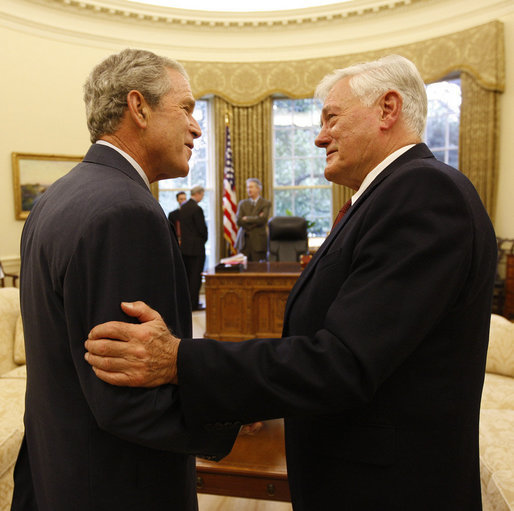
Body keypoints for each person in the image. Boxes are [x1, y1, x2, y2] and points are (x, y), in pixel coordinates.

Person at [85, 55, 497, 510]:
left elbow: (341, 363)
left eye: (331, 119)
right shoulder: (387, 197)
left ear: (388, 109)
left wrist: (180, 360)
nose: (320, 137)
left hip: (392, 490)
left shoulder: (424, 194)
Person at [12, 49, 238, 511]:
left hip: (62, 474)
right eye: (187, 109)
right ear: (139, 107)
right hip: (119, 487)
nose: (197, 128)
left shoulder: (55, 198)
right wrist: (231, 414)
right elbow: (131, 400)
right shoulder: (126, 212)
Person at [180, 185, 208, 311]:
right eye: (202, 195)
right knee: (196, 277)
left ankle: (187, 304)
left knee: (188, 277)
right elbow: (202, 229)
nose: (202, 197)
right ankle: (194, 304)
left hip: (185, 248)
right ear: (198, 194)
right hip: (196, 248)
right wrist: (203, 240)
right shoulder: (197, 209)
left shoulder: (183, 207)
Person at [235, 177, 271, 261]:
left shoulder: (265, 203)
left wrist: (247, 218)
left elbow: (263, 220)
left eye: (251, 187)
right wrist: (257, 218)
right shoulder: (242, 204)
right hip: (243, 242)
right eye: (247, 187)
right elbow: (239, 221)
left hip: (258, 243)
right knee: (243, 270)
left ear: (258, 189)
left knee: (258, 270)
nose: (248, 190)